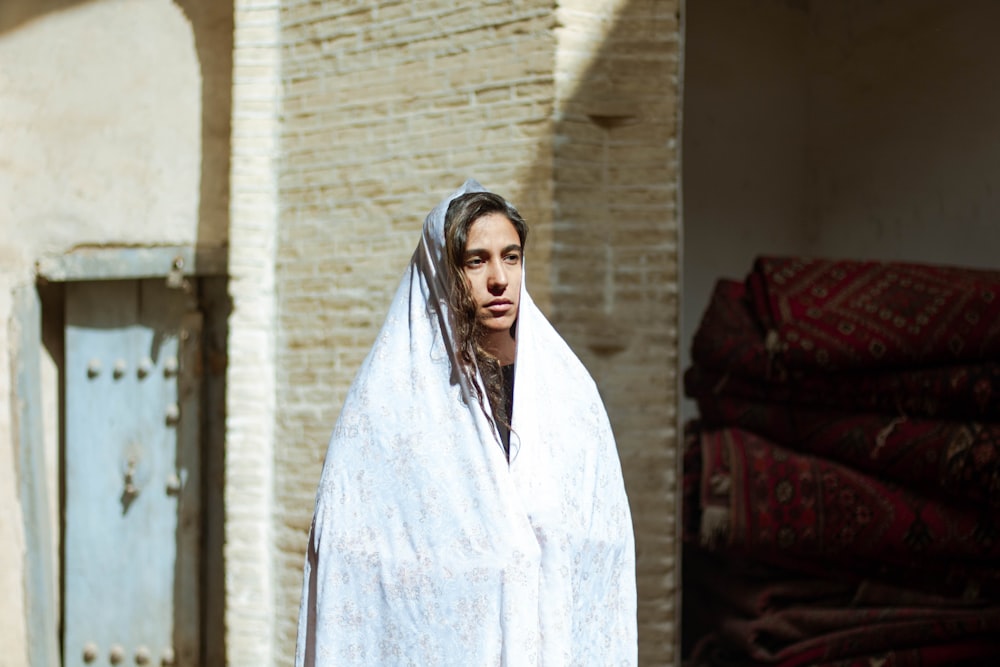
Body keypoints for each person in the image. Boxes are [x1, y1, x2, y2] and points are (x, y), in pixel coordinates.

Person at [295, 179, 636, 666]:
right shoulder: (388, 404)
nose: (499, 278)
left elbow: (605, 545)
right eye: (477, 261)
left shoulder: (569, 396)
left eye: (511, 257)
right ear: (443, 272)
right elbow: (350, 563)